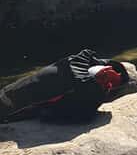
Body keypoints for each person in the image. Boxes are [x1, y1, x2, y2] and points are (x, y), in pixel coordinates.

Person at [0, 49, 129, 122]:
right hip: (7, 108)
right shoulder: (81, 86)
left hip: (7, 95)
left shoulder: (75, 61)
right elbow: (50, 116)